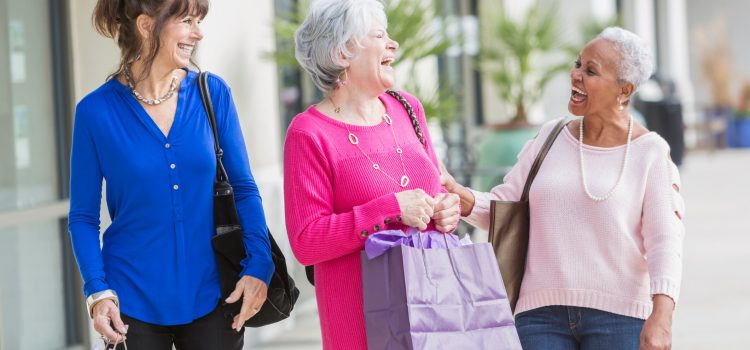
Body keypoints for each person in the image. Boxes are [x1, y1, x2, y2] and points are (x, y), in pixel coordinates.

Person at [441, 27, 684, 350]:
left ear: (624, 90)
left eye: (591, 70)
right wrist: (455, 191)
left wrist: (662, 317)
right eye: (578, 64)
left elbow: (664, 241)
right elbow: (504, 207)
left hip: (620, 317)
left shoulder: (650, 152)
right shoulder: (550, 137)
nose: (576, 75)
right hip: (539, 316)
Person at [67, 0, 273, 348]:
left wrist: (259, 263)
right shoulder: (95, 112)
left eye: (199, 20)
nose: (198, 32)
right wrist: (98, 291)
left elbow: (243, 188)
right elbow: (83, 217)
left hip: (214, 292)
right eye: (187, 21)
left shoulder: (212, 94)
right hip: (132, 301)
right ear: (147, 26)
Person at [284, 0, 461, 348]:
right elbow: (306, 241)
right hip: (361, 324)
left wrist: (446, 211)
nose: (393, 44)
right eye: (379, 35)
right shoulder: (309, 133)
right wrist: (390, 209)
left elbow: (436, 188)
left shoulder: (407, 107)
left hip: (433, 310)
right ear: (342, 53)